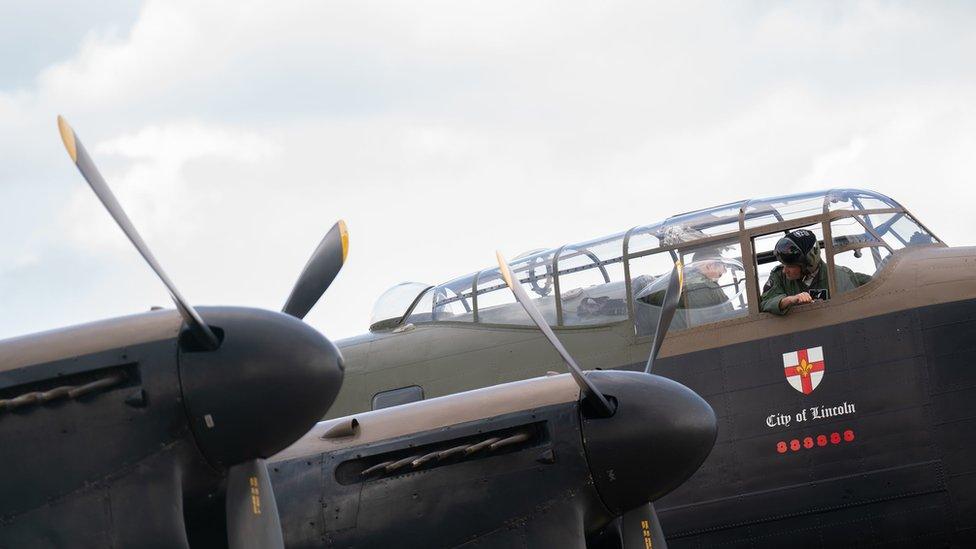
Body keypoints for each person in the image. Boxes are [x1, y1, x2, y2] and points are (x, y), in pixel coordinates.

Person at [760, 229, 872, 315]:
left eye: (790, 266)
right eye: (783, 265)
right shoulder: (778, 275)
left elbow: (853, 312)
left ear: (807, 263)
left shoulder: (840, 277)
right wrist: (790, 300)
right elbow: (766, 302)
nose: (785, 270)